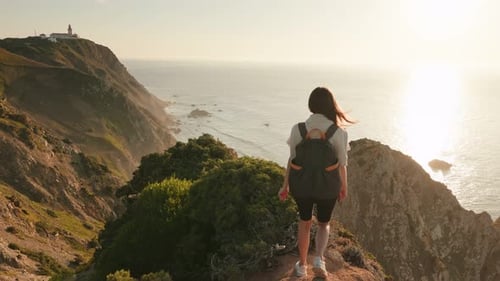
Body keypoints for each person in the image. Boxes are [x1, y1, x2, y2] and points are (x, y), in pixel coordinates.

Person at [279, 86, 354, 278]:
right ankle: (319, 259)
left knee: (304, 223)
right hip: (327, 186)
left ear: (311, 104)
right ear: (330, 105)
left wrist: (285, 185)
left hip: (301, 185)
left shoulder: (298, 129)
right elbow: (342, 165)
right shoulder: (338, 132)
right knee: (323, 224)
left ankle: (302, 265)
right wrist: (344, 187)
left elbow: (292, 159)